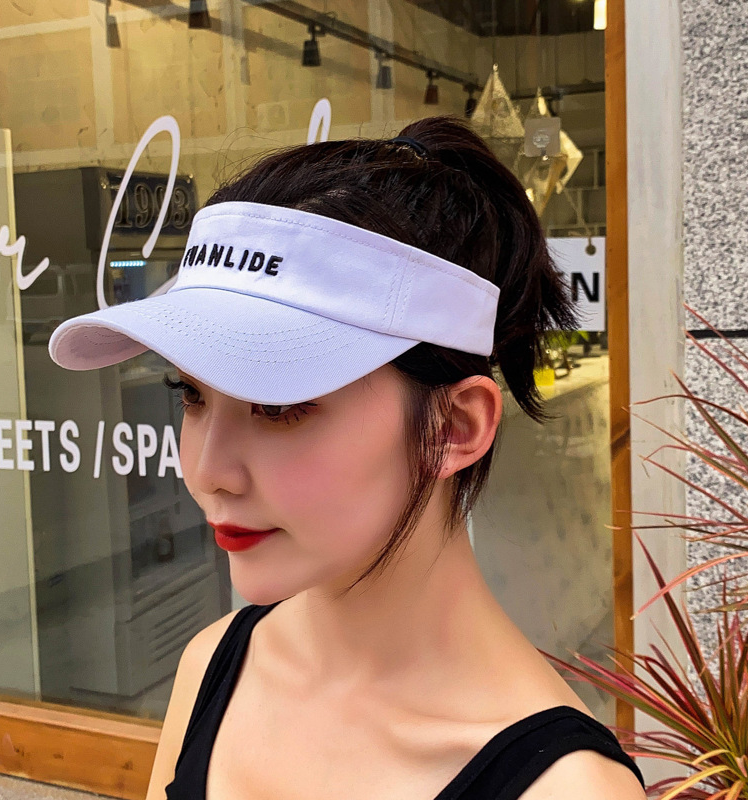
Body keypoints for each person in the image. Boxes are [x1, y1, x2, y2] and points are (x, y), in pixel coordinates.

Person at [49, 116, 647, 800]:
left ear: (453, 427)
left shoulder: (565, 789)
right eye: (191, 395)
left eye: (278, 406)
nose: (208, 472)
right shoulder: (213, 666)